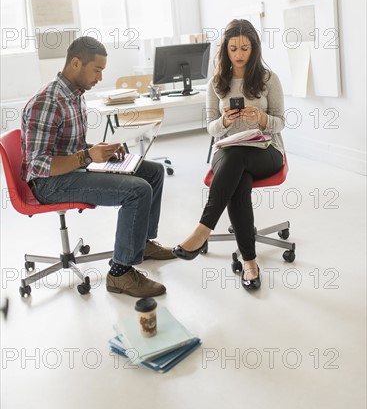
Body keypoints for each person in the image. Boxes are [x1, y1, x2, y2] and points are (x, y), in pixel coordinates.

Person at [21, 36, 176, 298]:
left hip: (70, 171)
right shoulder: (47, 101)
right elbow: (38, 166)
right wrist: (88, 156)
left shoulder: (75, 94)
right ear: (76, 63)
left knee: (153, 172)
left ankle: (144, 243)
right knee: (137, 191)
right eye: (97, 70)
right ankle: (120, 274)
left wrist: (100, 151)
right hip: (49, 184)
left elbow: (73, 147)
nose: (100, 78)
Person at [172, 19, 285, 291]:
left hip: (266, 150)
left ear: (254, 48)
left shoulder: (269, 79)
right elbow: (210, 127)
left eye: (245, 48)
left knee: (239, 162)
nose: (239, 54)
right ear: (225, 50)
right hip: (228, 149)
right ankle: (250, 263)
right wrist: (224, 121)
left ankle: (202, 231)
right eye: (233, 48)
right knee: (238, 174)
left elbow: (280, 122)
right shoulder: (216, 82)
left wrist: (260, 119)